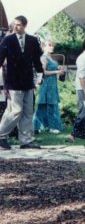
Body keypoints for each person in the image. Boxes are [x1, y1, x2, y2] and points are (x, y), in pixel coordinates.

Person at [0, 15, 45, 150]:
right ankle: (1, 135)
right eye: (14, 24)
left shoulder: (32, 40)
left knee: (28, 111)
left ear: (25, 25)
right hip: (13, 81)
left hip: (28, 81)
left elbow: (37, 60)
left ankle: (26, 140)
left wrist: (40, 76)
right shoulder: (7, 40)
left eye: (18, 24)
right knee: (15, 110)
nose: (15, 26)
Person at [33, 39, 65, 134]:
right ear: (44, 47)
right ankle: (52, 127)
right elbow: (43, 72)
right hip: (46, 84)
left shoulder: (49, 57)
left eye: (52, 45)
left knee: (45, 105)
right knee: (48, 105)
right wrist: (57, 71)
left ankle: (37, 127)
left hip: (52, 83)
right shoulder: (44, 57)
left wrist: (58, 67)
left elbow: (51, 67)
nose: (52, 47)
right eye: (49, 45)